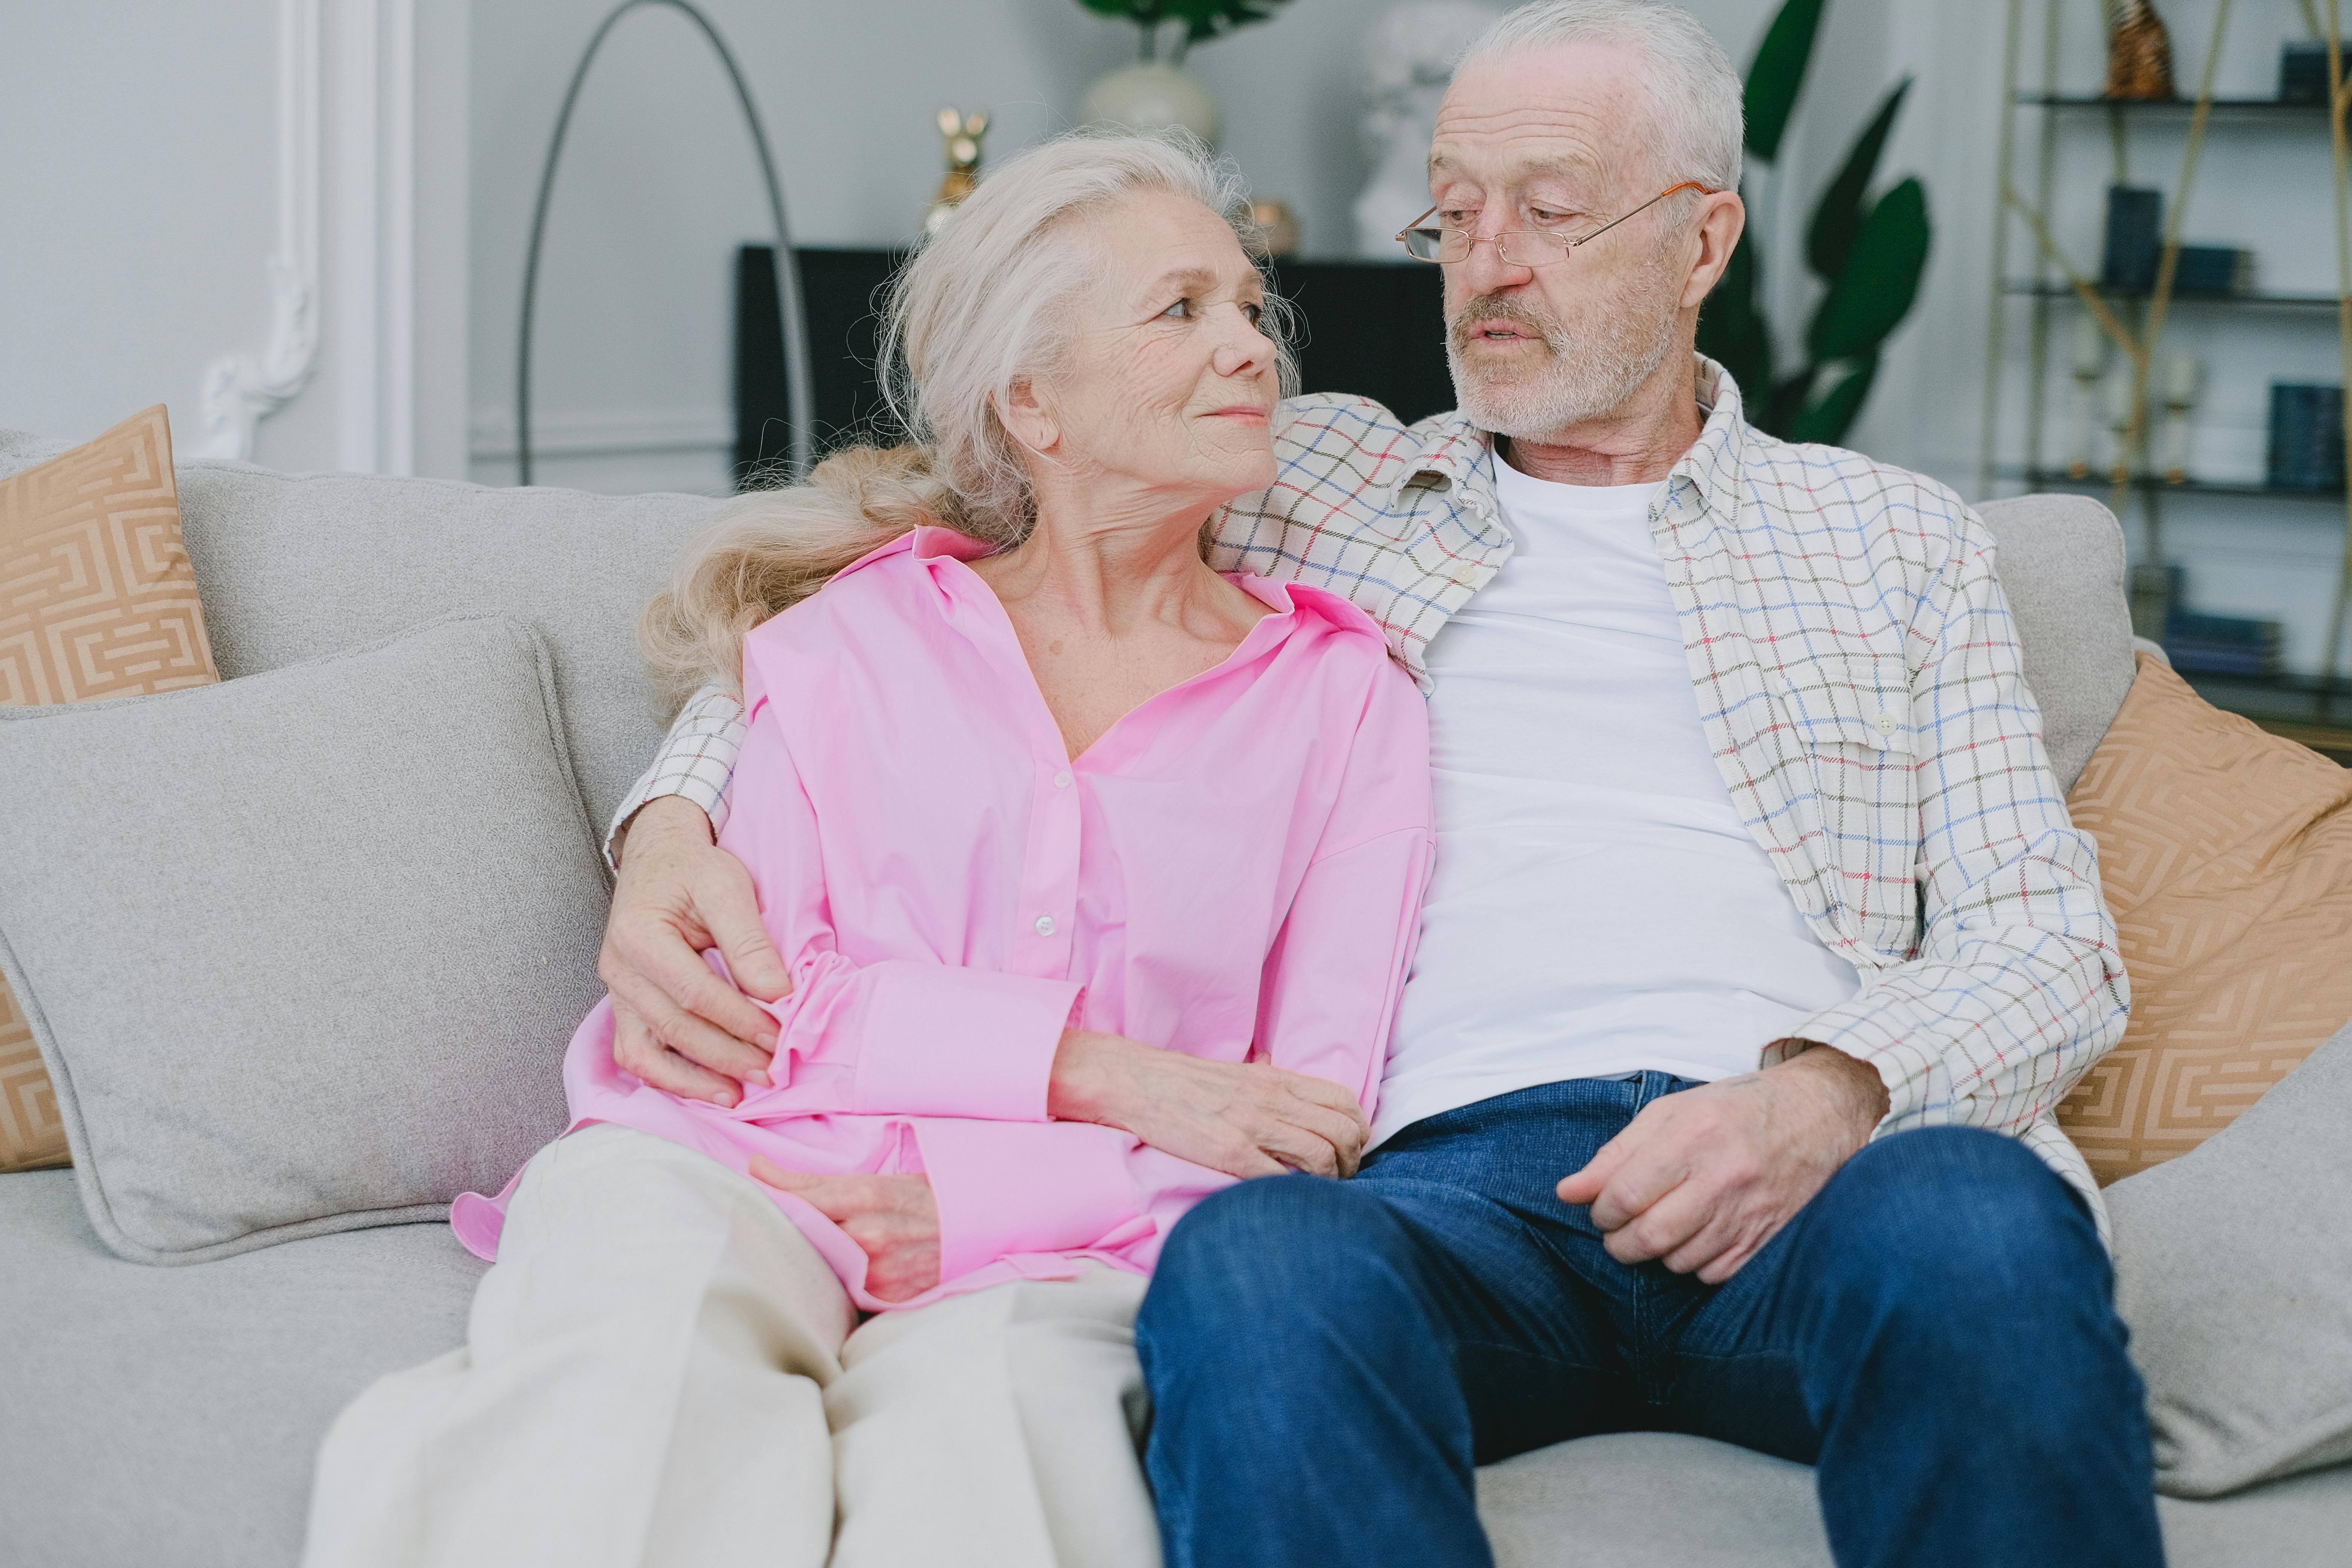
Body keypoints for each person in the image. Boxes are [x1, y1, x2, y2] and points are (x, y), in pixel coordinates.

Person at [596, 6, 2164, 1567]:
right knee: (1257, 1265)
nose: (1485, 264)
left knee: (1975, 1220)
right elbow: (932, 576)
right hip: (1441, 1189)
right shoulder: (1312, 477)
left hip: (1806, 1173)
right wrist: (674, 816)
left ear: (1702, 243)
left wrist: (1815, 1100)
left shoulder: (1895, 542)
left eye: (1548, 213)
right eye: (1454, 213)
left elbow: (2051, 943)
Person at [299, 133, 1433, 1568]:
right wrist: (1103, 1071)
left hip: (1076, 1240)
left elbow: (1305, 1118)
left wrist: (1009, 1196)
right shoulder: (850, 640)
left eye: (1251, 310)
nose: (1256, 350)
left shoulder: (1348, 703)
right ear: (1035, 403)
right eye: (1182, 311)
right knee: (627, 1402)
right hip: (724, 1166)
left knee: (1004, 1442)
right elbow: (753, 1009)